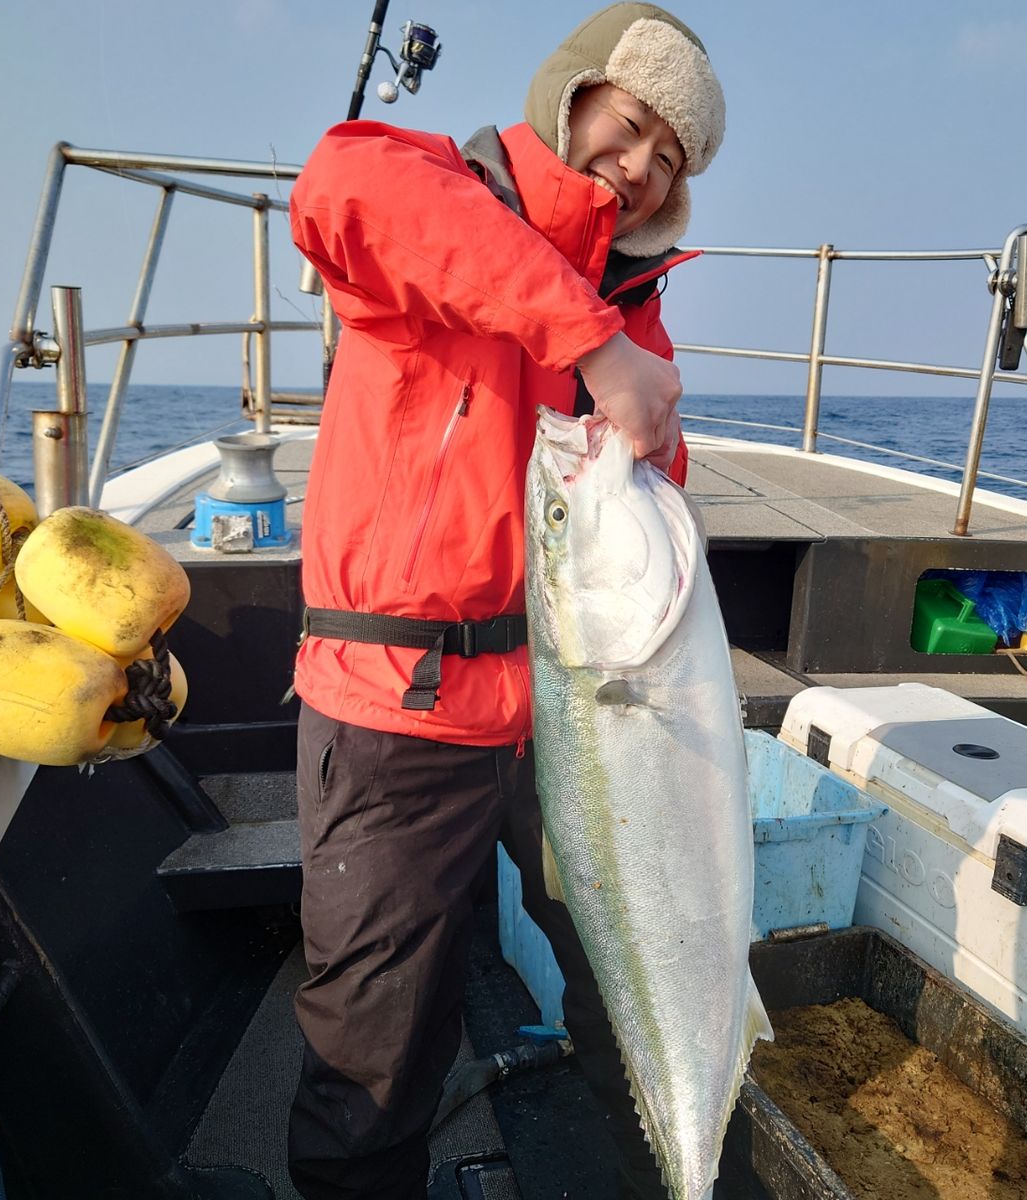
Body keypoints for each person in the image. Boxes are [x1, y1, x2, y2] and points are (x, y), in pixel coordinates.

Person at [285, 5, 725, 1197]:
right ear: (573, 98)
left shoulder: (637, 311)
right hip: (400, 712)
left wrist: (635, 405)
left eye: (669, 160)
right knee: (374, 1057)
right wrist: (592, 345)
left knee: (637, 997)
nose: (636, 169)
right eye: (628, 127)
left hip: (565, 712)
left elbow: (648, 527)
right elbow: (337, 183)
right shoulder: (438, 187)